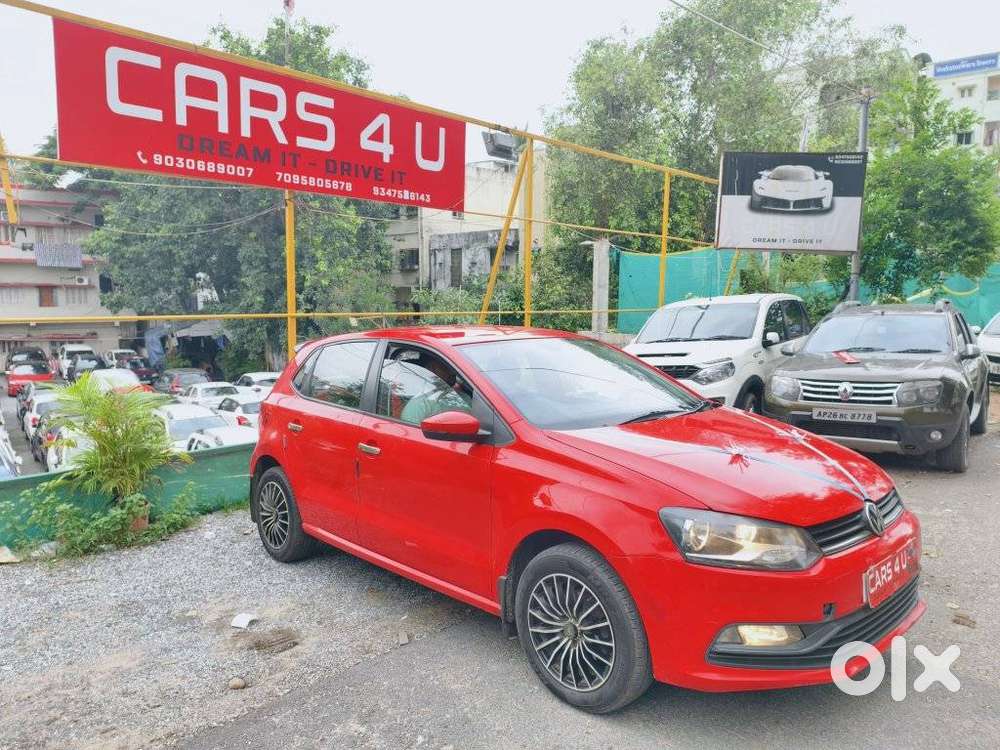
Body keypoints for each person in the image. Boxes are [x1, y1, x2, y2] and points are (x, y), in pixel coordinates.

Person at [398, 355, 473, 425]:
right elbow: (412, 433)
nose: (452, 372)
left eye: (452, 368)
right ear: (430, 370)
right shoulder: (420, 404)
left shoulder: (464, 397)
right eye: (445, 367)